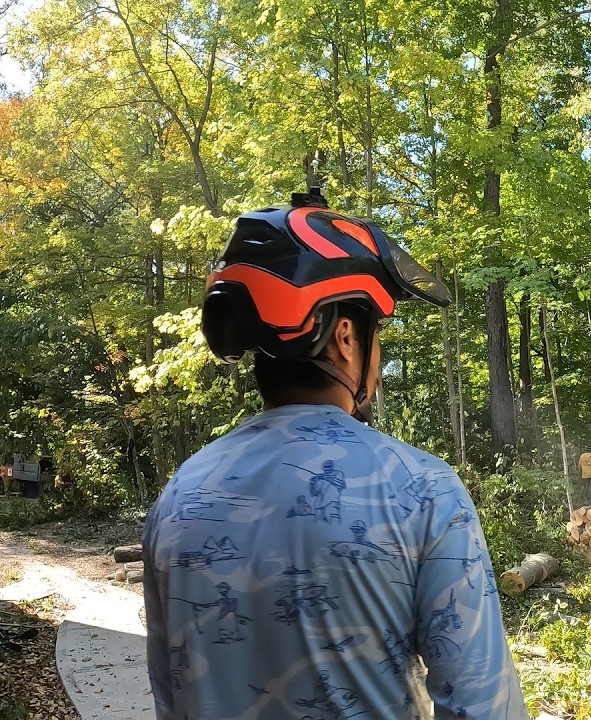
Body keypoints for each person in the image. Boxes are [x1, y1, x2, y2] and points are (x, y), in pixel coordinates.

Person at [142, 188, 528, 719]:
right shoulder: (421, 489)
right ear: (345, 337)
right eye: (376, 335)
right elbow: (482, 706)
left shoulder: (179, 495)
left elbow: (169, 694)